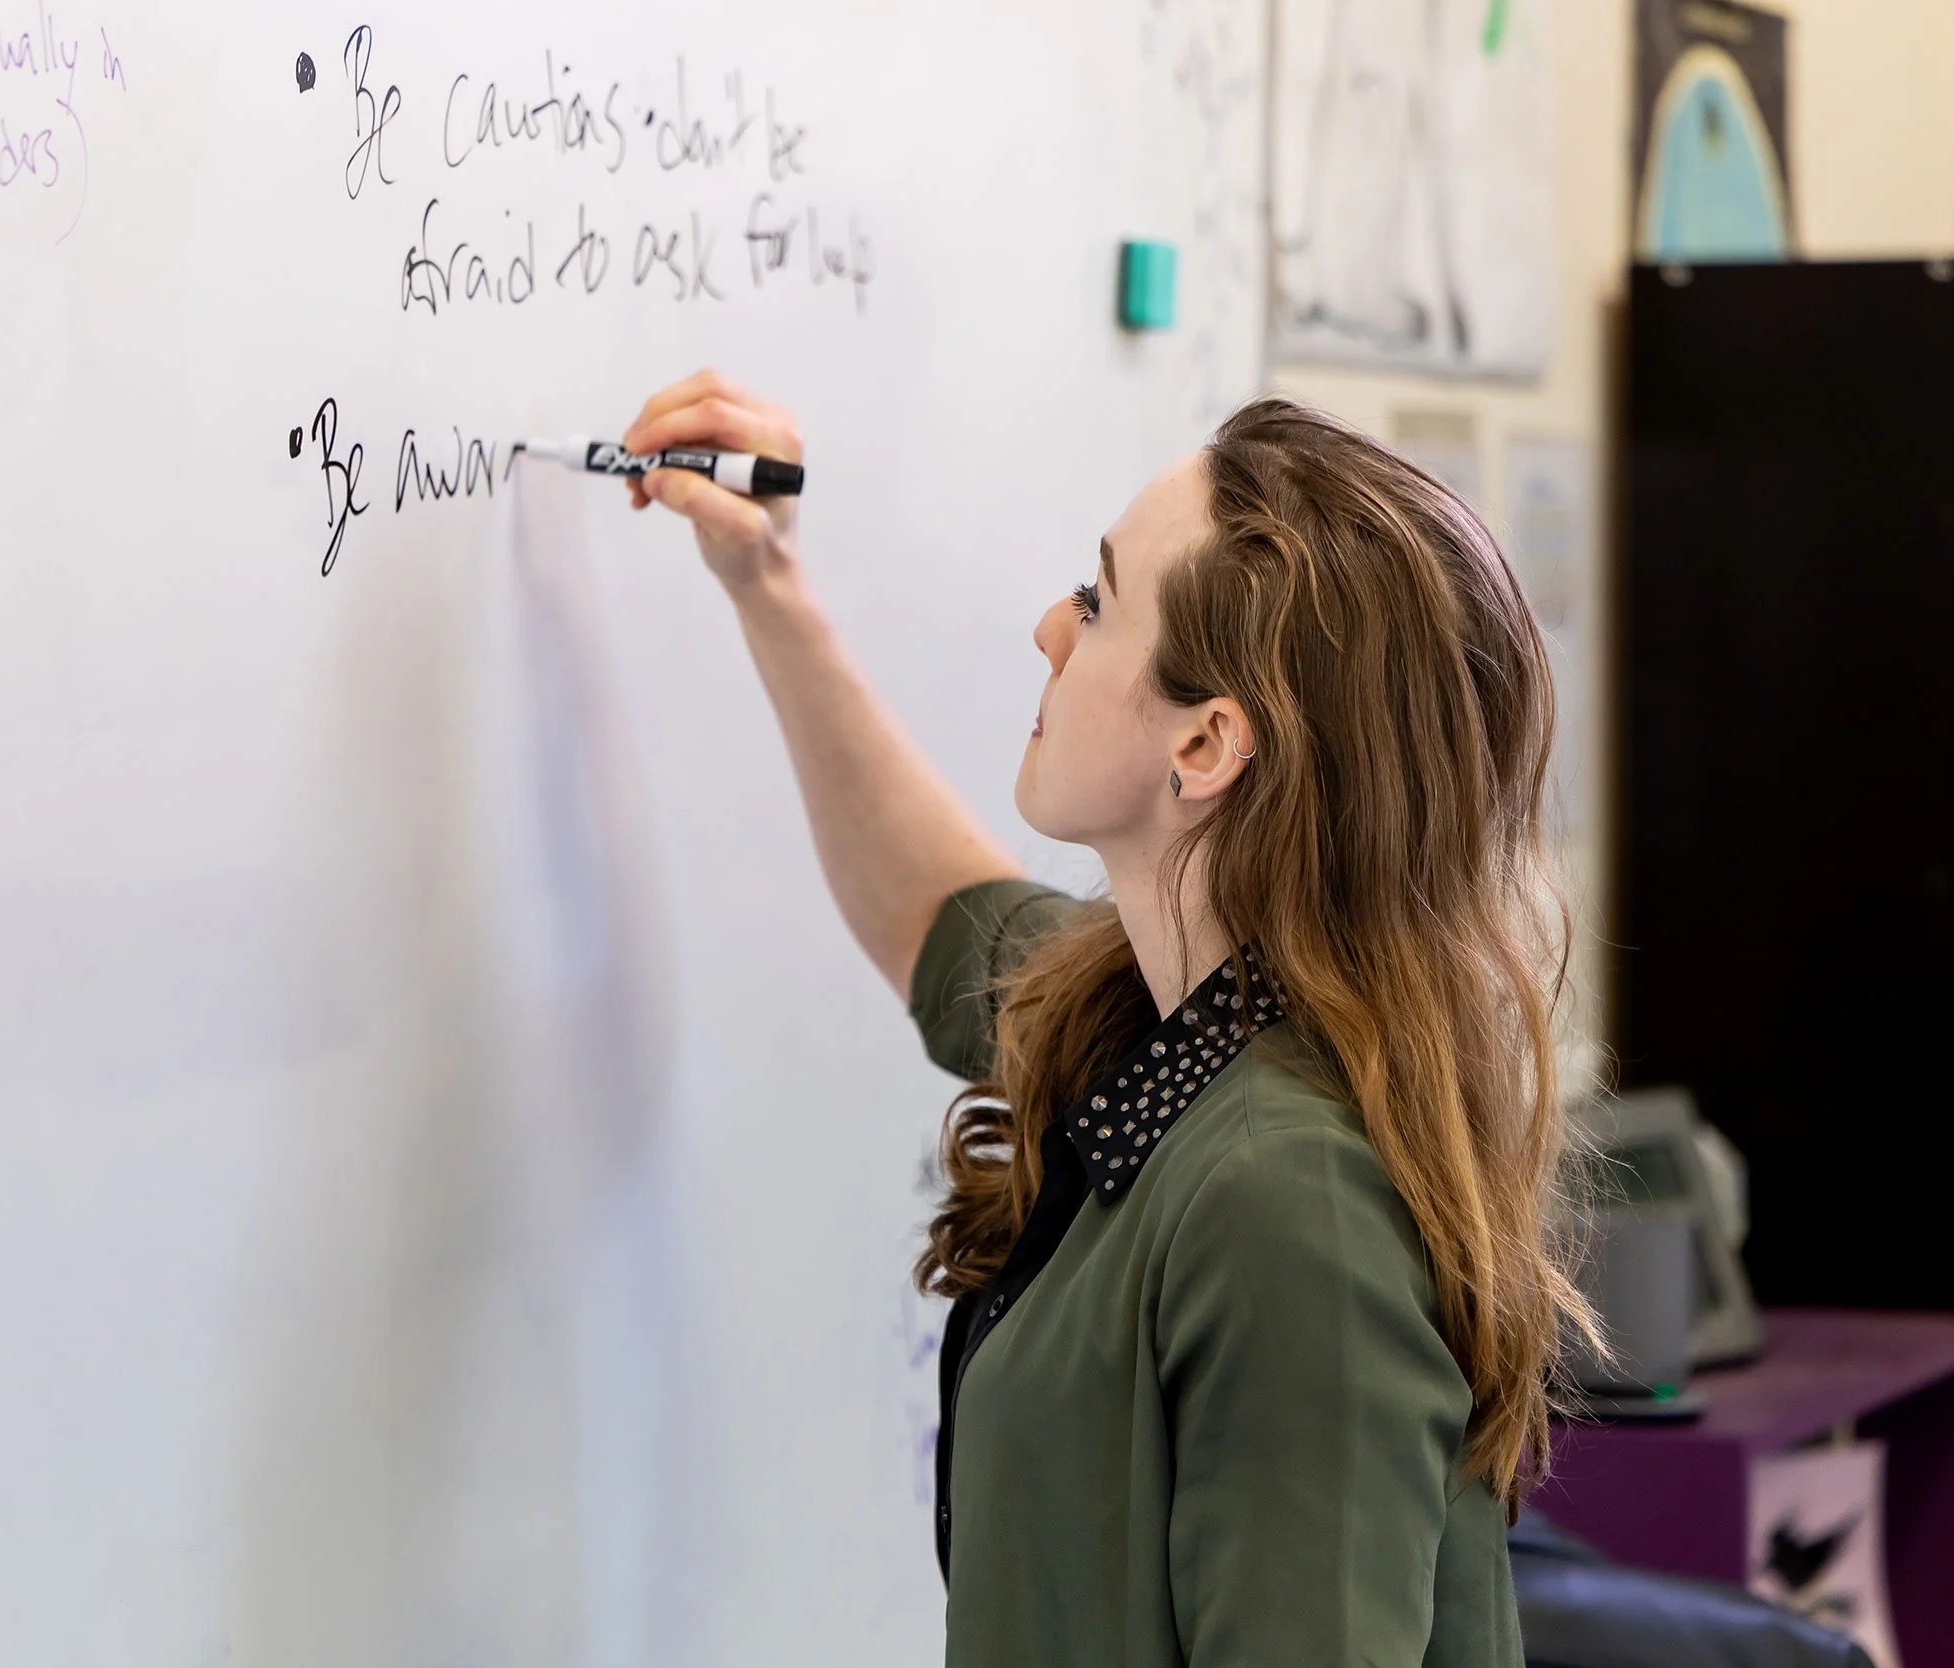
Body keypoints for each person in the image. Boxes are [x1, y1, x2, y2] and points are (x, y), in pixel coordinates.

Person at [624, 370, 1585, 1667]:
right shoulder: (1166, 1026)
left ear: (1206, 748)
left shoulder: (1288, 1201)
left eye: (1097, 601)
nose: (1049, 630)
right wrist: (766, 582)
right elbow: (936, 917)